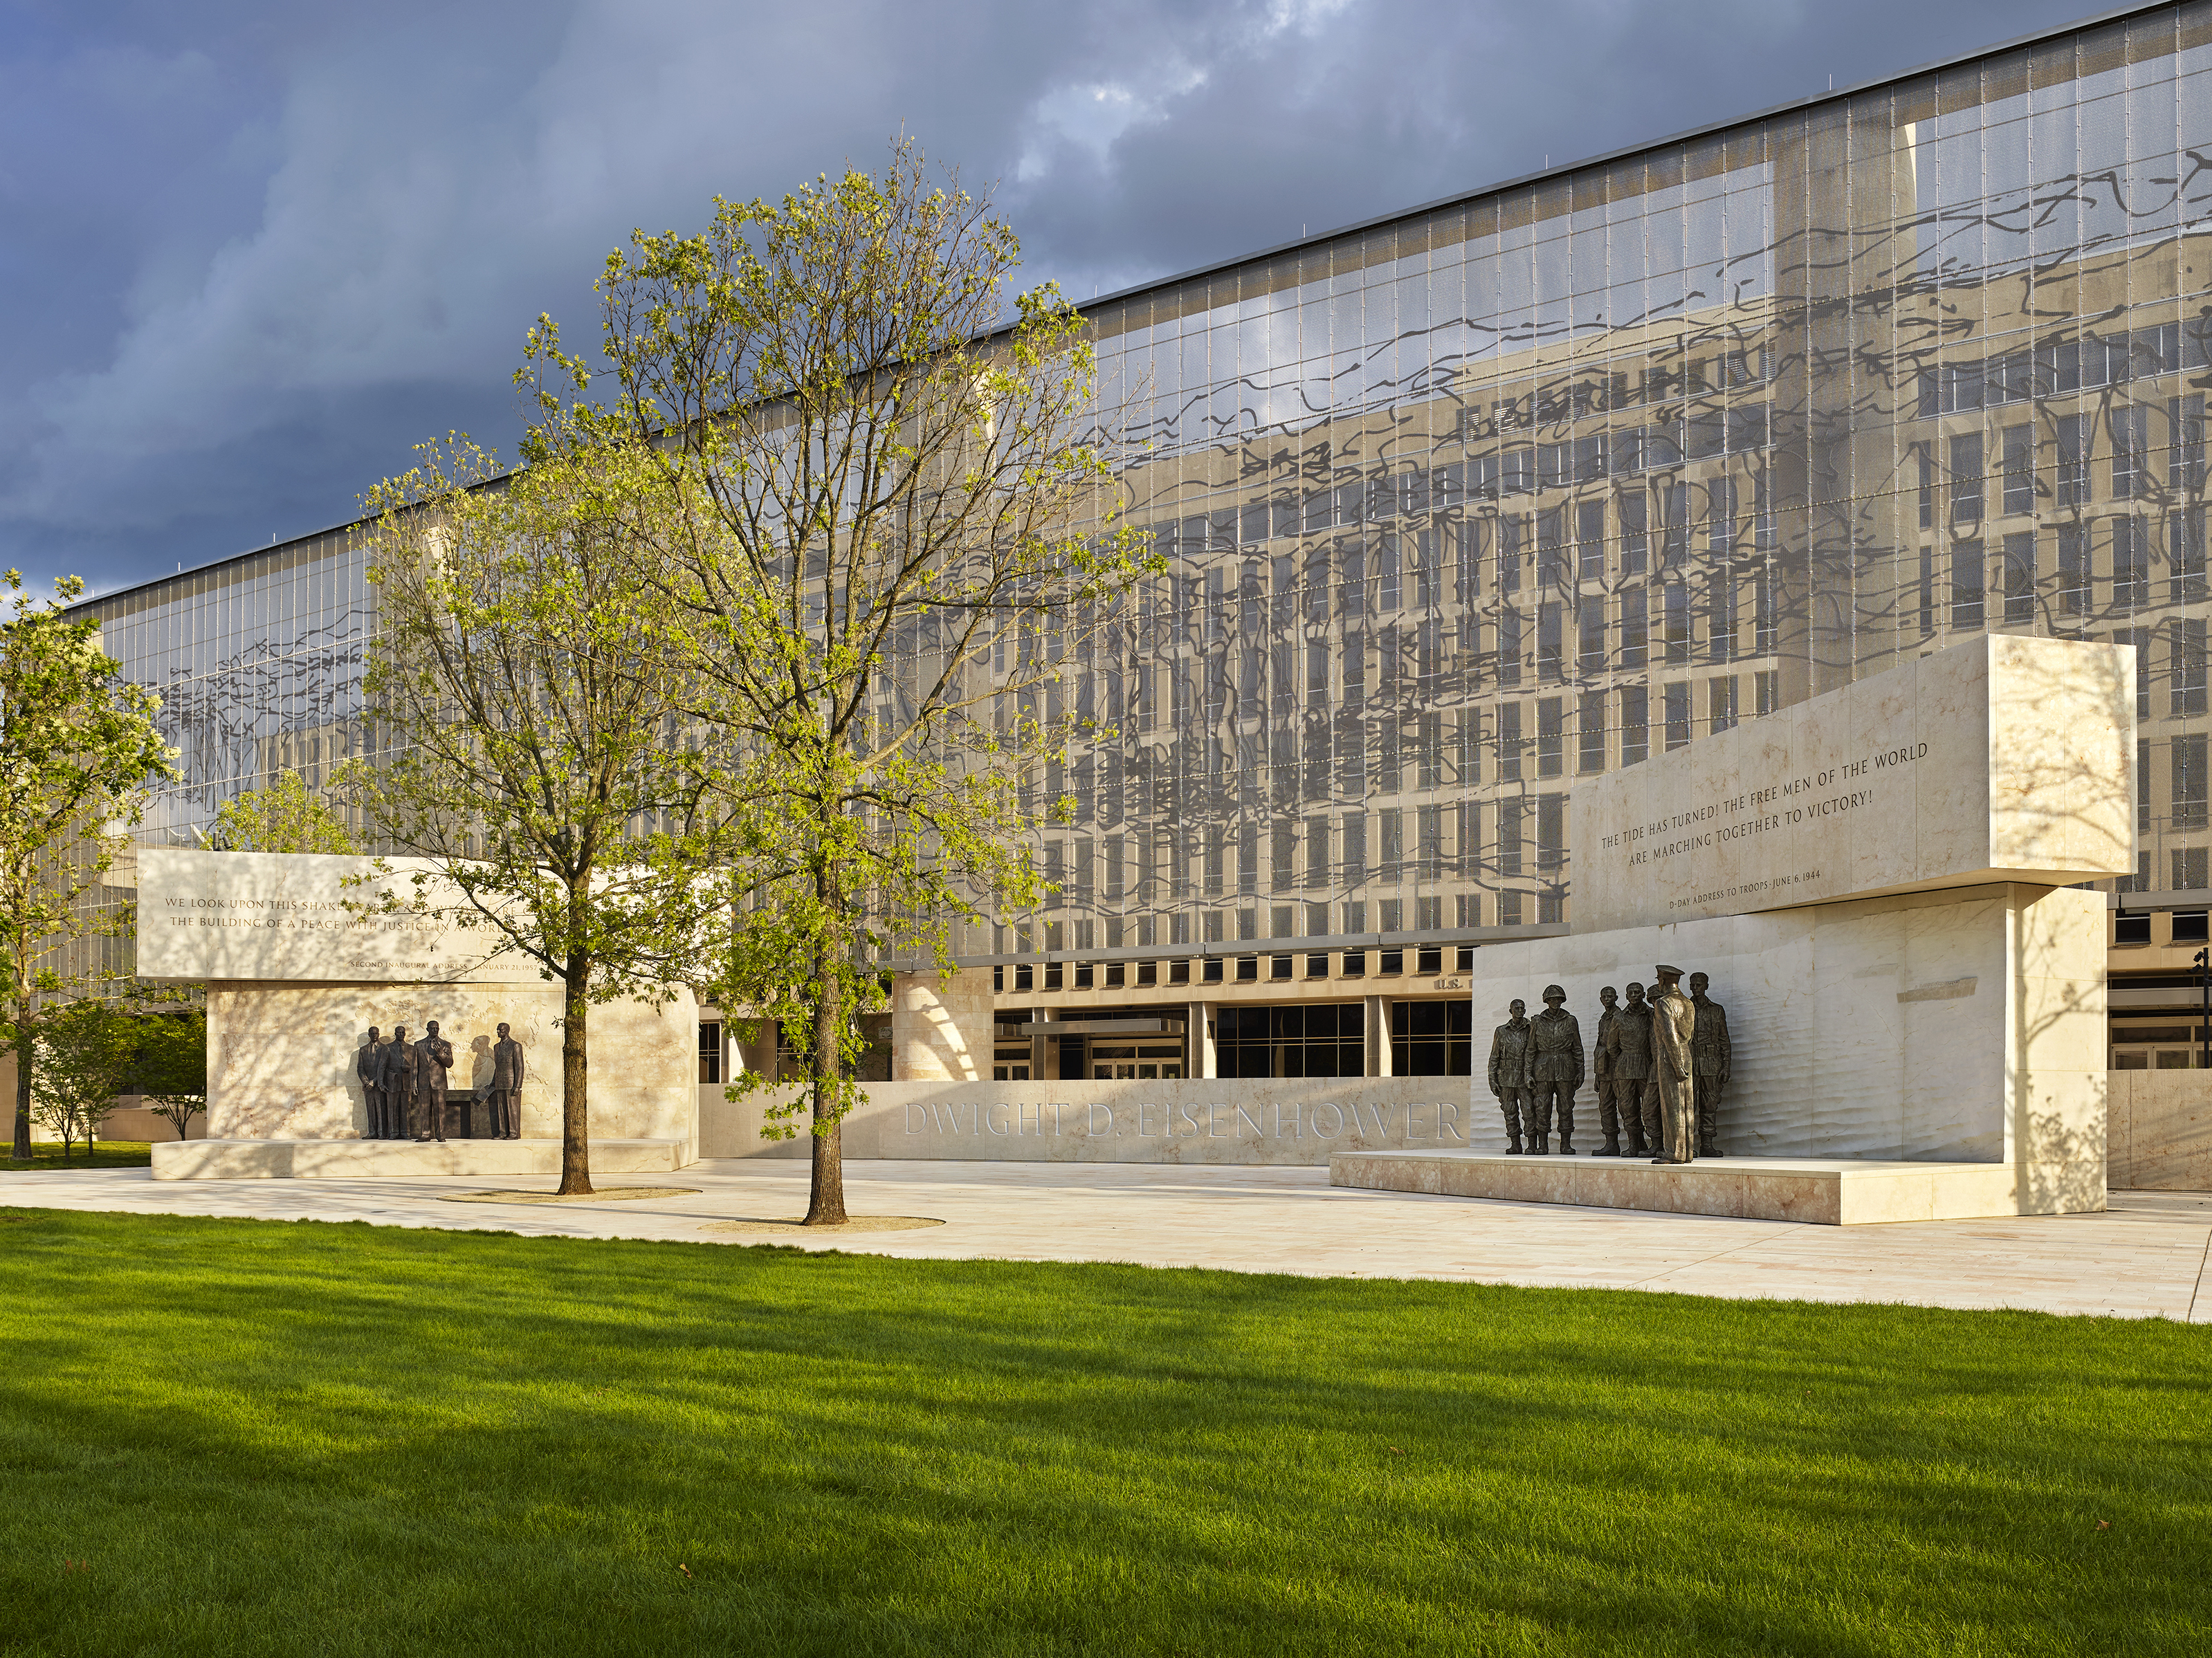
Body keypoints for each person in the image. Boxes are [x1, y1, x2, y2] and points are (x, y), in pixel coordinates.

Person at [1524, 984, 1584, 1155]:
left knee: (1566, 1107)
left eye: (1558, 999)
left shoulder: (1571, 1020)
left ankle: (1565, 1144)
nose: (1555, 1002)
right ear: (1547, 1001)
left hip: (1566, 1068)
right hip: (1543, 1068)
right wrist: (1528, 1073)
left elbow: (1577, 1048)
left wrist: (1581, 1071)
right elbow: (1531, 1049)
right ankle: (1543, 1145)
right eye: (1552, 999)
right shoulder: (1537, 1021)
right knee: (1542, 1107)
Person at [1649, 965, 1697, 1164]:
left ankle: (1673, 1152)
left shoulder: (1663, 1003)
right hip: (1686, 1052)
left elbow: (1670, 1035)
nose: (1658, 981)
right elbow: (1689, 1035)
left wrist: (1677, 1065)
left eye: (1659, 978)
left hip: (1670, 1056)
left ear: (1663, 980)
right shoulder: (1688, 1003)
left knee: (1672, 1106)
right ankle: (1687, 1152)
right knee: (1687, 1106)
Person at [1607, 984, 1655, 1158]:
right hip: (1625, 1068)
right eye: (1631, 993)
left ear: (1643, 995)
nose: (1634, 995)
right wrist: (1623, 1060)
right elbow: (1612, 1047)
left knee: (1650, 1107)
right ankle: (1633, 1145)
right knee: (1628, 1108)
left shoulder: (1651, 1015)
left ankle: (1656, 1144)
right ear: (1626, 997)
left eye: (1637, 993)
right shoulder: (1619, 1018)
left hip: (1647, 1067)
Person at [1688, 971, 1732, 1159]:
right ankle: (1688, 1144)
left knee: (1710, 1105)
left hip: (1712, 1064)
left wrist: (1726, 1066)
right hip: (1690, 1063)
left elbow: (1724, 1040)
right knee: (1689, 1106)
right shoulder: (1685, 1009)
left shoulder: (1717, 1010)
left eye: (1699, 984)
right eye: (1693, 985)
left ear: (1706, 986)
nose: (1696, 988)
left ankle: (1707, 1144)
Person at [1487, 999, 1534, 1154]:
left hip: (1524, 1078)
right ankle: (1515, 1144)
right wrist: (1492, 1079)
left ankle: (1532, 1144)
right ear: (1511, 1011)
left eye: (1522, 1008)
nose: (1520, 1011)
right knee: (1510, 1112)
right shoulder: (1501, 1031)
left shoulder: (1532, 1028)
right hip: (1506, 1079)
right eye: (1516, 1008)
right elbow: (1494, 1057)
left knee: (1529, 1111)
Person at [1591, 987, 1625, 1157]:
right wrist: (1598, 1073)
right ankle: (1611, 1144)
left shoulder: (1621, 1017)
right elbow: (1599, 1045)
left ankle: (1637, 1142)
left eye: (1610, 996)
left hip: (1620, 1067)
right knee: (1605, 1107)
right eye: (1603, 996)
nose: (1606, 999)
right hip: (1605, 1070)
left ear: (1616, 997)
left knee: (1627, 1106)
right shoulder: (1603, 1019)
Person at [414, 1020, 454, 1143]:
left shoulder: (445, 1044)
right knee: (424, 1110)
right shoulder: (418, 1045)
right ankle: (425, 1134)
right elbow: (415, 1067)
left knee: (440, 1110)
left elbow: (450, 1064)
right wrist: (413, 1084)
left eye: (437, 1028)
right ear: (427, 1029)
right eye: (432, 1028)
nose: (435, 1030)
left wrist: (441, 1053)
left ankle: (441, 1135)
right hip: (423, 1083)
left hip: (439, 1083)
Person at [488, 1022, 524, 1139]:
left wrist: (517, 1085)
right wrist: (494, 1082)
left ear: (507, 1031)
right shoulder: (496, 1047)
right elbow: (497, 1066)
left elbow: (519, 1066)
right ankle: (503, 1132)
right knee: (501, 1110)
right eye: (498, 1030)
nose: (498, 1032)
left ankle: (513, 1133)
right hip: (500, 1083)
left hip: (511, 1083)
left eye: (501, 1030)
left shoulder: (515, 1046)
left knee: (512, 1109)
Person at [381, 1025, 417, 1143]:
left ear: (405, 1034)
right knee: (393, 1109)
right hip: (393, 1083)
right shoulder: (388, 1048)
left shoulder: (412, 1049)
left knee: (405, 1109)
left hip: (407, 1083)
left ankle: (405, 1132)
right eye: (399, 1032)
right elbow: (382, 1067)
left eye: (403, 1032)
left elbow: (417, 1067)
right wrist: (381, 1083)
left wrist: (409, 1068)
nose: (401, 1034)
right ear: (395, 1034)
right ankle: (393, 1132)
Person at [356, 1026, 387, 1139]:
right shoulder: (363, 1050)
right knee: (370, 1111)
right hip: (367, 1086)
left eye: (376, 1033)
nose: (374, 1035)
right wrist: (366, 1082)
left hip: (379, 1084)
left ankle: (382, 1133)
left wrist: (374, 1081)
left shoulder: (384, 1048)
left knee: (381, 1110)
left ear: (379, 1034)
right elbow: (360, 1068)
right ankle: (372, 1132)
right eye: (372, 1033)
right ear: (369, 1035)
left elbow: (384, 1067)